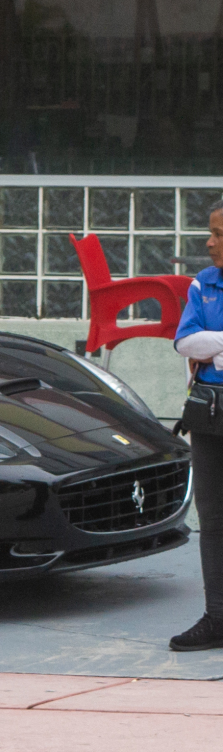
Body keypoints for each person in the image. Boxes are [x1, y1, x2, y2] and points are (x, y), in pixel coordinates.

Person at [170, 197, 223, 651]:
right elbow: (186, 343)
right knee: (213, 518)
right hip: (210, 414)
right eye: (210, 232)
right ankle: (218, 618)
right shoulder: (203, 285)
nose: (209, 243)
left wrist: (215, 347)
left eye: (219, 235)